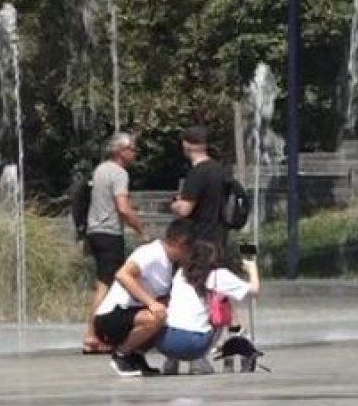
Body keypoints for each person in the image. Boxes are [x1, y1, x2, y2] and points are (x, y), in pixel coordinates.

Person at [94, 218, 194, 376]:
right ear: (181, 244)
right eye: (190, 250)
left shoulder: (169, 264)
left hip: (133, 314)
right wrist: (151, 303)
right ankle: (121, 355)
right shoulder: (151, 253)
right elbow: (122, 275)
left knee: (170, 318)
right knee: (157, 316)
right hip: (112, 316)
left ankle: (136, 355)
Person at [83, 132, 147, 354]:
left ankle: (102, 333)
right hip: (109, 233)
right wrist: (141, 231)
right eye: (133, 149)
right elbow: (123, 208)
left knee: (107, 283)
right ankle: (92, 335)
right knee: (106, 285)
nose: (135, 154)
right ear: (121, 151)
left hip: (94, 231)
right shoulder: (119, 173)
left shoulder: (100, 169)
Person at [156, 240, 260, 375]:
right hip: (193, 343)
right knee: (221, 310)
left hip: (165, 341)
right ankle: (198, 359)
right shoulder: (218, 275)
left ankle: (171, 360)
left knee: (181, 313)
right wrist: (252, 269)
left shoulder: (181, 273)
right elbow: (255, 290)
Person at [170, 126, 226, 253]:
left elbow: (184, 210)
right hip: (219, 238)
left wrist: (174, 204)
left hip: (199, 239)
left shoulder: (197, 173)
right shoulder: (220, 170)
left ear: (186, 145)